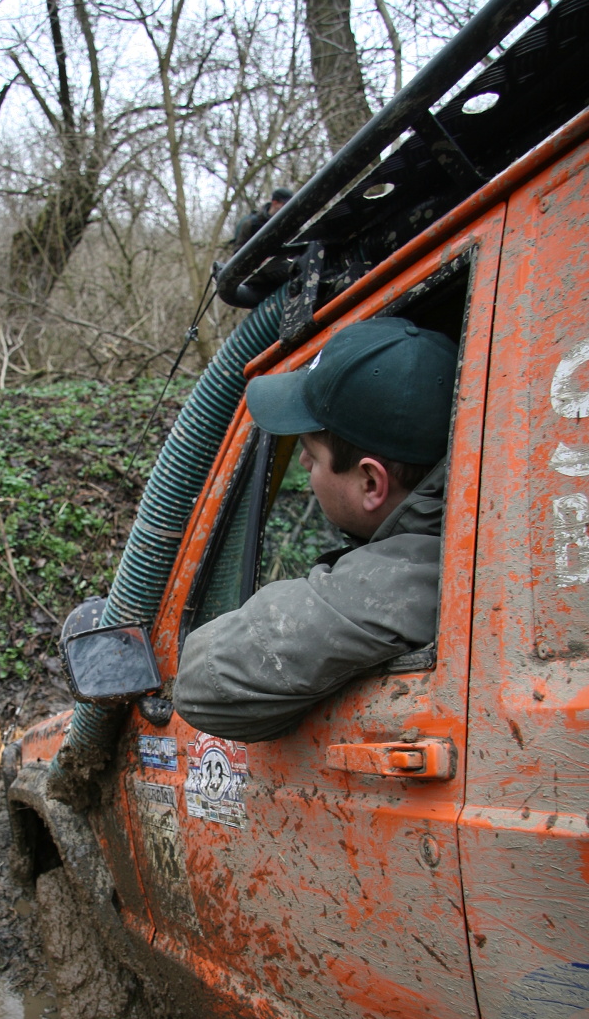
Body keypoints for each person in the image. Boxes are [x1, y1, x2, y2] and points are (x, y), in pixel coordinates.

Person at [173, 317, 459, 743]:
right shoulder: (467, 531)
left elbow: (203, 681)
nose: (304, 464)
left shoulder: (411, 576)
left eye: (311, 453)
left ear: (371, 483)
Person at [233, 186, 294, 251]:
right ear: (275, 203)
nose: (288, 208)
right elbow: (238, 251)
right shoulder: (251, 224)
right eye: (285, 204)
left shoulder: (291, 226)